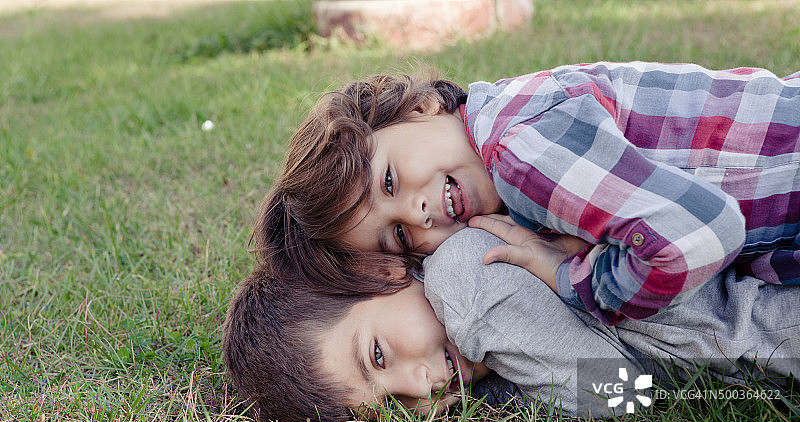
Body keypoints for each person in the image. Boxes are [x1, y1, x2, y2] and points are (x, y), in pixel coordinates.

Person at [254, 62, 800, 326]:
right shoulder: (508, 112)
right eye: (398, 236)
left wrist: (572, 278)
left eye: (390, 181)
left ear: (418, 107)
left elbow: (697, 238)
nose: (417, 213)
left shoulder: (519, 154)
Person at [223, 227, 800, 422]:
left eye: (378, 355)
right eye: (395, 404)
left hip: (761, 324)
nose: (421, 385)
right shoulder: (480, 338)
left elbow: (624, 392)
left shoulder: (464, 285)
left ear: (378, 274)